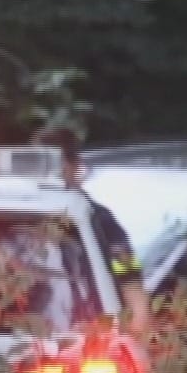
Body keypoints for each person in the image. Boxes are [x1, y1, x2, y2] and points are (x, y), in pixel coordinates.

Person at [32, 124, 155, 347]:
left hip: (86, 341)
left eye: (54, 167)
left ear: (75, 167)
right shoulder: (6, 217)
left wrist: (134, 348)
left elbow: (133, 290)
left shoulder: (101, 223)